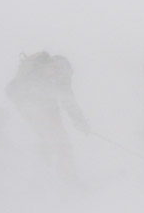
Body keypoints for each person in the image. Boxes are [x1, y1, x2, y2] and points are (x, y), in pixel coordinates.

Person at [6, 51, 90, 181]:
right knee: (63, 144)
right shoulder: (62, 70)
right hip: (44, 107)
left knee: (46, 140)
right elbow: (69, 101)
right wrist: (81, 122)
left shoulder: (36, 69)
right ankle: (69, 181)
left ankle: (43, 178)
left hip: (23, 104)